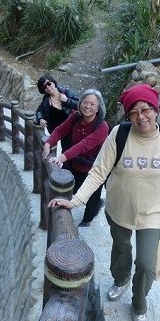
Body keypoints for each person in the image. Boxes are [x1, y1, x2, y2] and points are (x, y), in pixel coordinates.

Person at [48, 83, 160, 321]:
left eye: (145, 110)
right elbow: (98, 171)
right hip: (120, 208)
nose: (140, 117)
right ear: (128, 115)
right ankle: (120, 280)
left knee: (145, 263)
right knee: (121, 249)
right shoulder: (119, 134)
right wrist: (75, 201)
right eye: (134, 112)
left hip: (154, 212)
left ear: (156, 110)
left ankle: (139, 303)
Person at [43, 89, 109, 227]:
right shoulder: (75, 117)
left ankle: (88, 218)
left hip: (93, 169)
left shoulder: (102, 127)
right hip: (74, 163)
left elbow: (84, 145)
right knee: (73, 189)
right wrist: (49, 143)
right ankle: (94, 204)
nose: (88, 106)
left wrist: (62, 157)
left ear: (98, 108)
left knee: (91, 196)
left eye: (92, 104)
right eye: (85, 102)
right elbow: (60, 130)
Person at [35, 74, 79, 151]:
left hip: (72, 129)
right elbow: (40, 110)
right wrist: (40, 119)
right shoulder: (46, 100)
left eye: (49, 84)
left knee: (73, 150)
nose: (48, 87)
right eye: (44, 87)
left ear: (53, 82)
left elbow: (80, 104)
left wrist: (67, 100)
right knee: (65, 151)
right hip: (59, 132)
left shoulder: (66, 92)